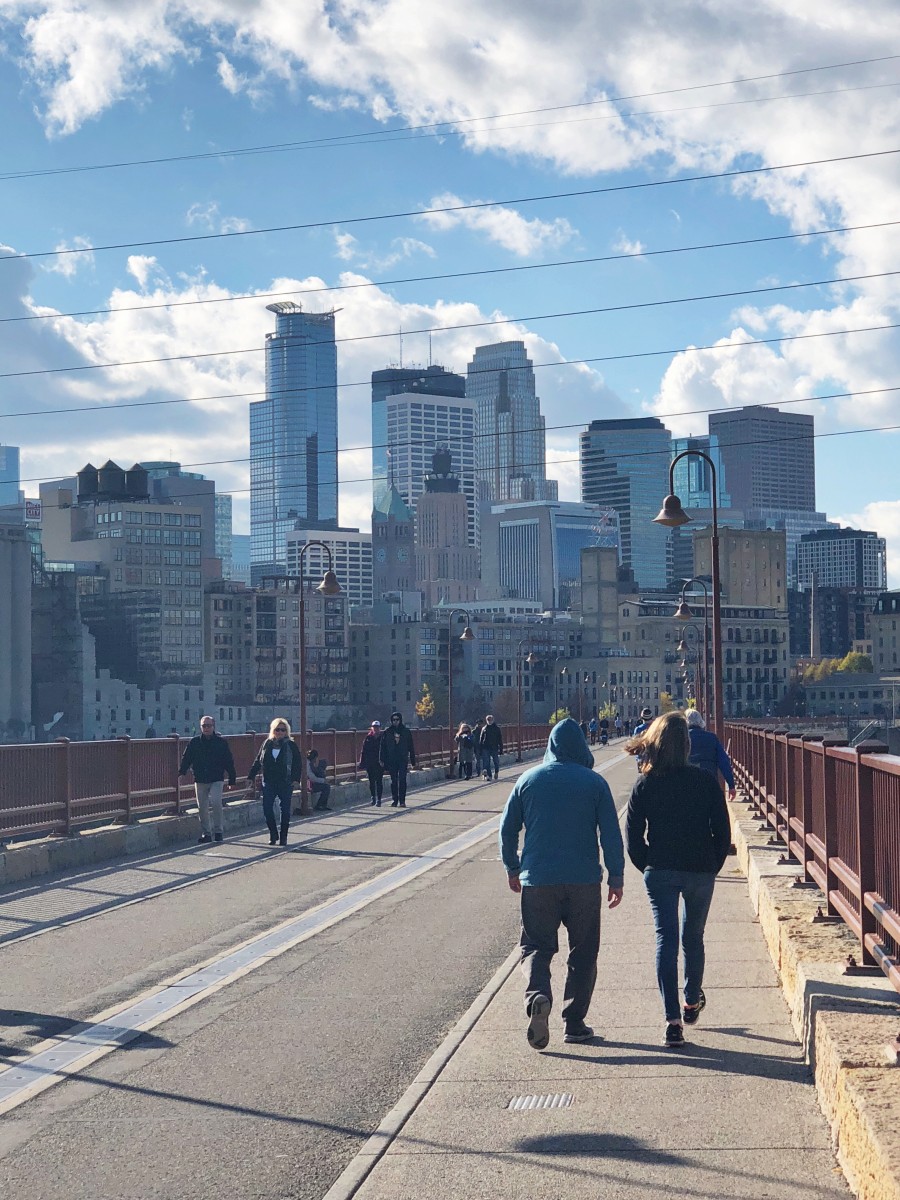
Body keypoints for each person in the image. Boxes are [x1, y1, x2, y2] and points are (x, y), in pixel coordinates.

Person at [500, 717, 624, 1050]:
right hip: (583, 881)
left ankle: (538, 995)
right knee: (583, 952)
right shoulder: (594, 783)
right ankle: (575, 1023)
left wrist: (513, 866)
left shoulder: (527, 780)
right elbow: (611, 835)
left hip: (538, 880)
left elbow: (507, 830)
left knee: (534, 948)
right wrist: (616, 876)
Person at [625, 712, 731, 1048]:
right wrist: (711, 866)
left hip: (661, 871)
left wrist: (648, 867)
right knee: (694, 937)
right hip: (699, 870)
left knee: (665, 940)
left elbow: (632, 837)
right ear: (686, 745)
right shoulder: (703, 781)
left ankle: (672, 1021)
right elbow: (723, 832)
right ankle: (691, 1001)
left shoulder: (645, 784)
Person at [179, 715, 236, 844]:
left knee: (216, 802)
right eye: (204, 726)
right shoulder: (194, 742)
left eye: (209, 725)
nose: (206, 728)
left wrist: (232, 779)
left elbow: (229, 761)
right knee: (202, 807)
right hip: (200, 778)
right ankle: (206, 833)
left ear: (213, 727)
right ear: (201, 727)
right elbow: (186, 758)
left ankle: (218, 832)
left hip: (216, 778)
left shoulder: (221, 743)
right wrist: (182, 772)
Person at [247, 718, 302, 846]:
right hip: (269, 781)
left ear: (286, 731)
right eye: (277, 729)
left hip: (285, 781)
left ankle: (283, 837)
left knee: (285, 810)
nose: (280, 732)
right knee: (267, 809)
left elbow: (297, 764)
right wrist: (250, 776)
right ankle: (273, 834)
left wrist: (295, 780)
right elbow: (258, 761)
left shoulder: (291, 745)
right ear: (273, 730)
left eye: (283, 730)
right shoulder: (267, 744)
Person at [685, 709, 736, 798]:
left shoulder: (682, 738)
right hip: (709, 780)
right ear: (701, 722)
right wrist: (731, 785)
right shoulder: (712, 738)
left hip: (688, 782)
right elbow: (724, 762)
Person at [380, 712, 416, 807]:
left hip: (402, 759)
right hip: (392, 759)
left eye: (397, 720)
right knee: (394, 780)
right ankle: (395, 800)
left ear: (400, 720)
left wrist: (413, 761)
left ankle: (402, 801)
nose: (395, 722)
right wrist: (381, 759)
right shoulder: (388, 732)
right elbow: (382, 747)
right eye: (393, 720)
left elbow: (411, 747)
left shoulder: (406, 731)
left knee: (402, 779)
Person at [359, 720, 384, 806]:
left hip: (379, 763)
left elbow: (386, 751)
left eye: (377, 727)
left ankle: (379, 799)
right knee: (372, 781)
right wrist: (362, 763)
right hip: (370, 763)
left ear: (380, 728)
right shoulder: (368, 738)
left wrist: (385, 762)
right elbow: (364, 751)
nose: (376, 729)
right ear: (372, 728)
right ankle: (373, 797)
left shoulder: (382, 738)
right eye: (374, 727)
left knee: (379, 781)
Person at [479, 714, 504, 780]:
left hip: (494, 747)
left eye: (490, 720)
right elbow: (481, 739)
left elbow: (500, 739)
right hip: (485, 747)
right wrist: (480, 748)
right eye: (488, 720)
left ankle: (496, 772)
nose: (489, 721)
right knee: (486, 762)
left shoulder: (497, 728)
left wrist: (501, 748)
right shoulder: (484, 728)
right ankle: (489, 776)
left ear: (493, 720)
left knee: (496, 762)